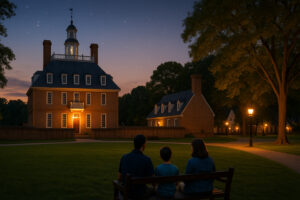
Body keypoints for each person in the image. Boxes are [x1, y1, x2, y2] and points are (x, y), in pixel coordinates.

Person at [118, 134, 154, 199]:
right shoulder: (147, 160)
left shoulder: (124, 157)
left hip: (126, 191)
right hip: (140, 193)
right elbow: (151, 179)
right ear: (143, 145)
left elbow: (119, 177)